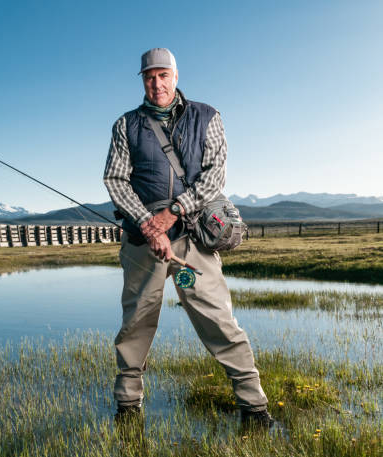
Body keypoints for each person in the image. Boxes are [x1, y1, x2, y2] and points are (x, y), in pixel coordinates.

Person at [103, 48, 273, 428]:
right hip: (142, 242)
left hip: (192, 237)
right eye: (149, 76)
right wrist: (149, 225)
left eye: (163, 75)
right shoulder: (125, 125)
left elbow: (213, 176)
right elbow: (115, 180)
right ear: (142, 80)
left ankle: (255, 409)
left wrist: (172, 213)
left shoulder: (207, 116)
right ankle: (128, 408)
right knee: (136, 324)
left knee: (219, 321)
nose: (157, 83)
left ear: (176, 76)